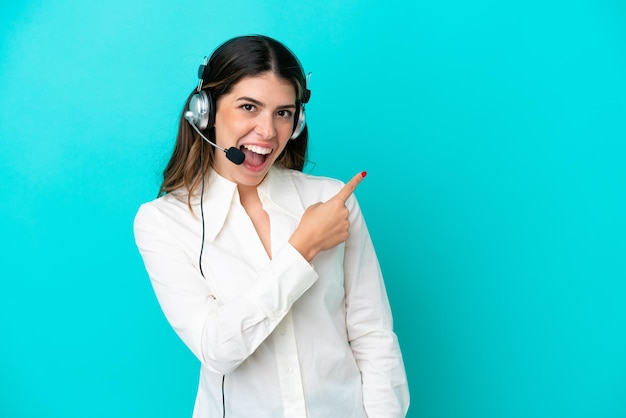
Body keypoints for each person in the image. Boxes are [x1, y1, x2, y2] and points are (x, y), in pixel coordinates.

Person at [134, 35, 409, 418]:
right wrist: (302, 249)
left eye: (283, 112)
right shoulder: (163, 222)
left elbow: (373, 336)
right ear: (205, 111)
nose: (267, 131)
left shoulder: (331, 201)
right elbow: (217, 350)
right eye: (249, 107)